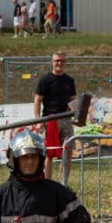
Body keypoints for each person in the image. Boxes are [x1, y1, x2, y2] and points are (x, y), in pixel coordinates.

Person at [34, 52, 77, 180]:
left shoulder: (69, 80)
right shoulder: (45, 80)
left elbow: (73, 100)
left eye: (62, 61)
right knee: (50, 154)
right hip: (50, 120)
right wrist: (38, 121)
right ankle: (47, 183)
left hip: (67, 120)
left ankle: (63, 183)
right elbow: (37, 100)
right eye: (57, 61)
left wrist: (79, 112)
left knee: (68, 152)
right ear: (52, 62)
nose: (59, 63)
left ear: (65, 63)